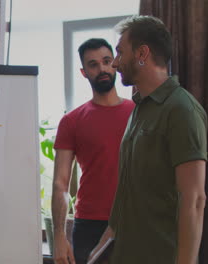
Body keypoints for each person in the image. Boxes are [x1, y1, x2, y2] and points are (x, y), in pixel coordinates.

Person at [89, 15, 207, 264]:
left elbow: (194, 199)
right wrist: (105, 242)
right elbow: (129, 192)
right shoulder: (139, 109)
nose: (116, 63)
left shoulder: (181, 110)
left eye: (120, 53)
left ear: (142, 53)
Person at [52, 38, 134, 264]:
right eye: (93, 64)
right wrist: (58, 235)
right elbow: (61, 183)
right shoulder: (71, 121)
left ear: (115, 63)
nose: (102, 69)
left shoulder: (139, 113)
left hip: (135, 221)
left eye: (107, 61)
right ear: (83, 72)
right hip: (89, 225)